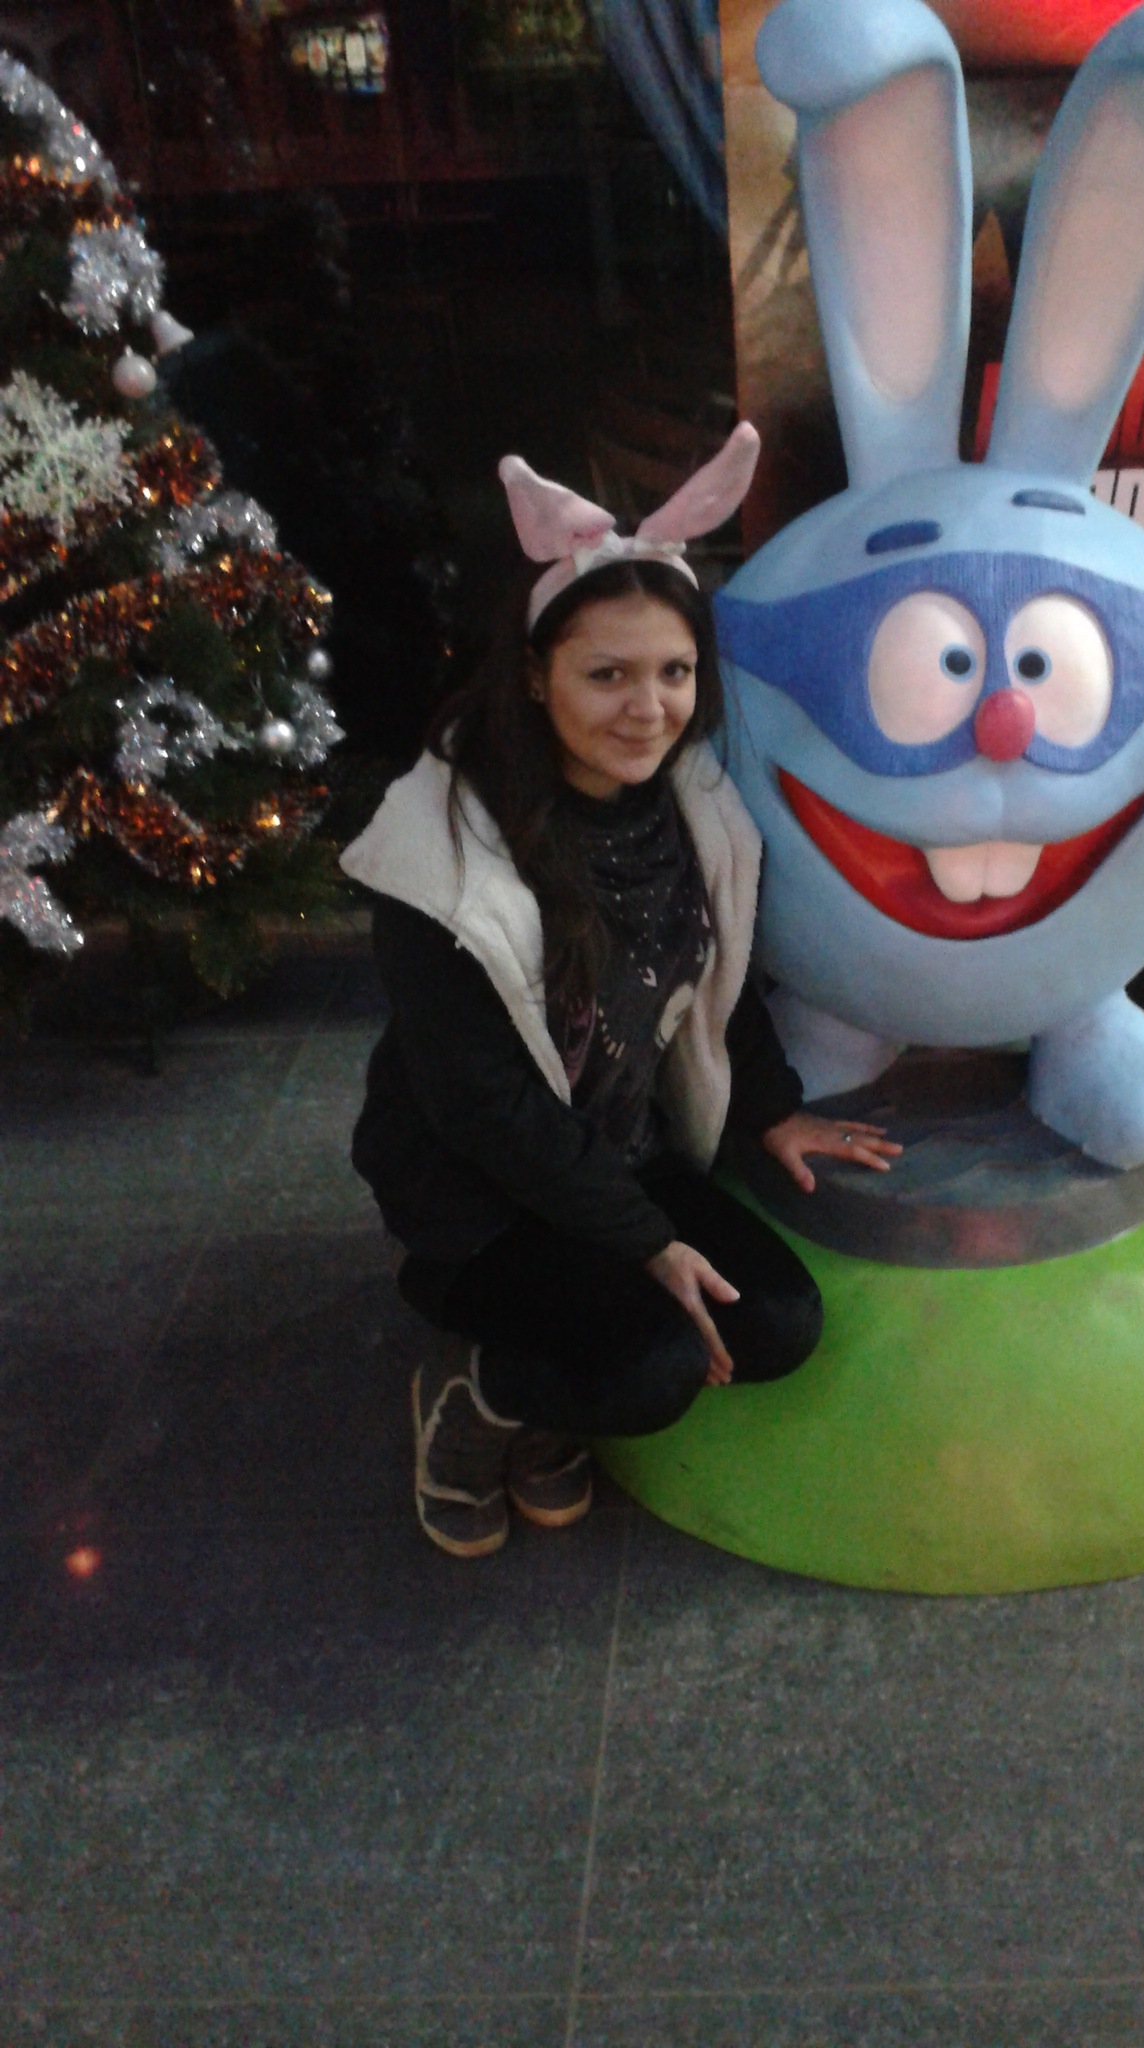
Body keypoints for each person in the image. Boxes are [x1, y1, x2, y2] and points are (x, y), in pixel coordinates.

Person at [341, 426, 899, 1558]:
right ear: (535, 675)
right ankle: (481, 1398)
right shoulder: (438, 855)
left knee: (778, 1324)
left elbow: (714, 970)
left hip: (621, 1147)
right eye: (608, 674)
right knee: (648, 1371)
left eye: (673, 672)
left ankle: (558, 1382)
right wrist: (647, 1241)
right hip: (482, 1191)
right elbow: (483, 1107)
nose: (649, 706)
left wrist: (771, 1108)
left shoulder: (690, 802)